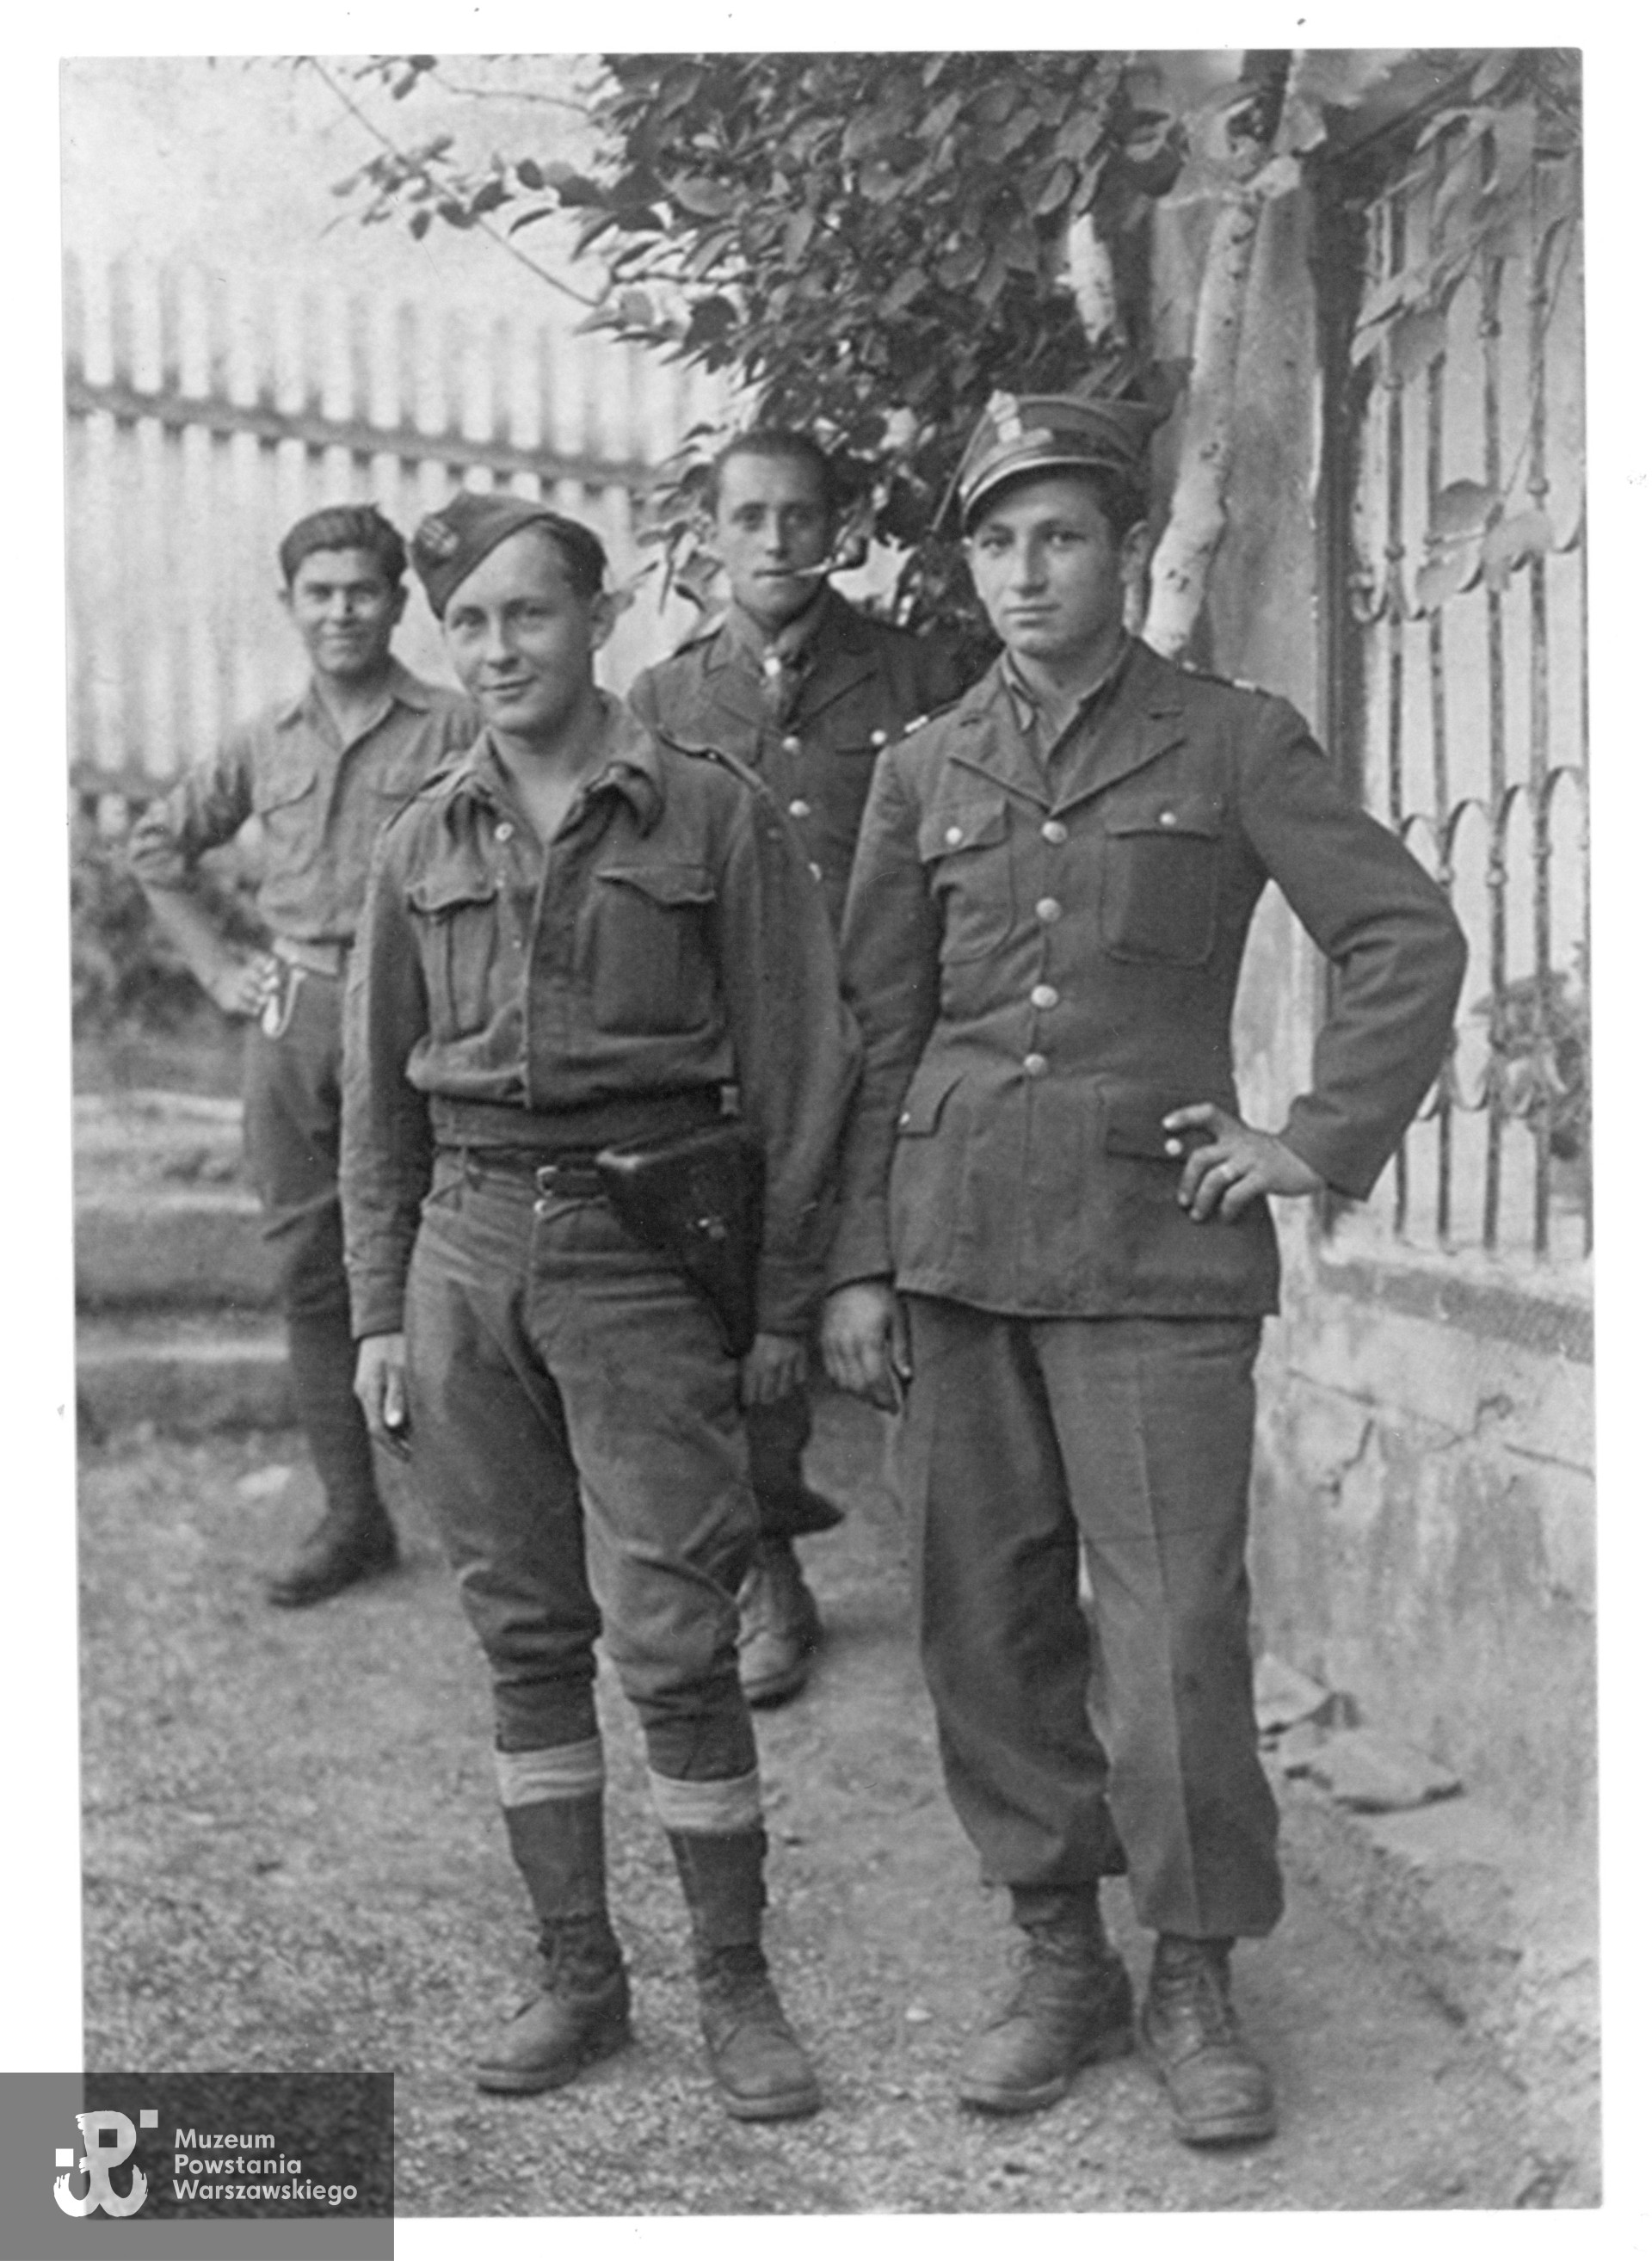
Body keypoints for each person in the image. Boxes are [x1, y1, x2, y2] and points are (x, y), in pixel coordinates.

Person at [820, 394, 1467, 2147]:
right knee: (985, 1618)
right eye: (997, 542)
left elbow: (1404, 935)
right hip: (955, 1254)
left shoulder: (1231, 741)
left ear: (1119, 553)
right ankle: (1057, 1954)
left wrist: (1311, 1144)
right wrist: (858, 1264)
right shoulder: (921, 769)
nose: (1029, 572)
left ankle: (1193, 1971)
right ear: (969, 568)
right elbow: (875, 1036)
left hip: (1157, 1254)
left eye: (1062, 538)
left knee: (1174, 1632)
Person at [341, 490, 860, 2120]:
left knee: (678, 1634)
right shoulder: (419, 836)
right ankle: (581, 1970)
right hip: (466, 1248)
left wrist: (780, 1307)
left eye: (530, 615)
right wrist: (376, 1313)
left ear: (599, 617)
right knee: (521, 1634)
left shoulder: (705, 813)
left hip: (642, 1248)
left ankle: (736, 1986)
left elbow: (800, 1067)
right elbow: (378, 1105)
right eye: (471, 623)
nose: (499, 649)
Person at [630, 428, 968, 1707]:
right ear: (709, 535)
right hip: (740, 1055)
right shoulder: (663, 704)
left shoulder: (918, 674)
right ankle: (772, 1575)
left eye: (801, 516)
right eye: (750, 517)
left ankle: (969, 1591)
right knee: (741, 1326)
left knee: (911, 1304)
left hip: (887, 1033)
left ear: (841, 531)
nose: (776, 541)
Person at [129, 505, 474, 1607]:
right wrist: (223, 974)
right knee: (306, 1267)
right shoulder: (262, 738)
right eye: (318, 593)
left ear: (398, 602)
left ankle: (490, 1512)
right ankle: (352, 1513)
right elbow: (157, 846)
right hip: (295, 1017)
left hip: (418, 1016)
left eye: (361, 590)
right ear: (289, 607)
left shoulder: (455, 729)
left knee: (448, 1256)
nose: (340, 611)